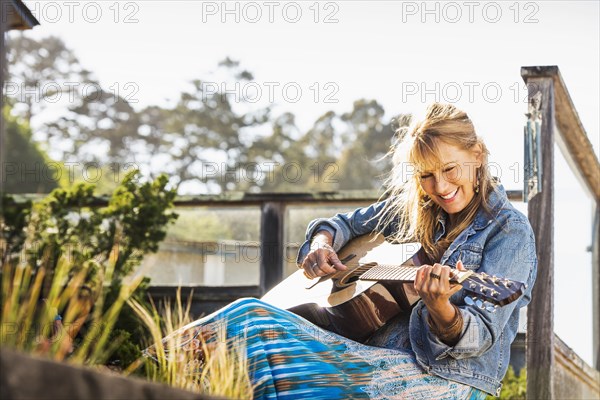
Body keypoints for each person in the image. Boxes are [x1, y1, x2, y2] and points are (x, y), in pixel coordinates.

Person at [167, 103, 537, 399]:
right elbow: (342, 223)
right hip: (365, 352)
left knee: (253, 322)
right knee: (245, 322)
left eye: (450, 169)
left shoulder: (509, 230)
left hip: (440, 381)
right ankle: (145, 373)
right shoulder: (414, 209)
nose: (438, 186)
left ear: (478, 154)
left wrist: (441, 307)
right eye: (425, 175)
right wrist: (321, 245)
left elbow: (478, 337)